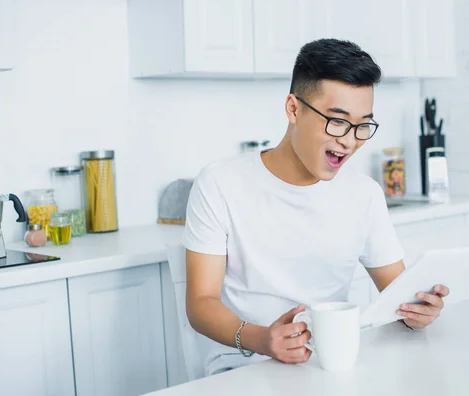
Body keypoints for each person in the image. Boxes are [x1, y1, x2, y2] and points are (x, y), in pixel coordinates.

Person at [182, 38, 450, 376]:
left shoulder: (363, 194)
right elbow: (200, 303)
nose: (349, 141)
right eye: (337, 121)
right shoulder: (220, 183)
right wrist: (264, 339)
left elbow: (398, 296)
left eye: (362, 126)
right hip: (244, 366)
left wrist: (419, 312)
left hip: (332, 364)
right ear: (294, 109)